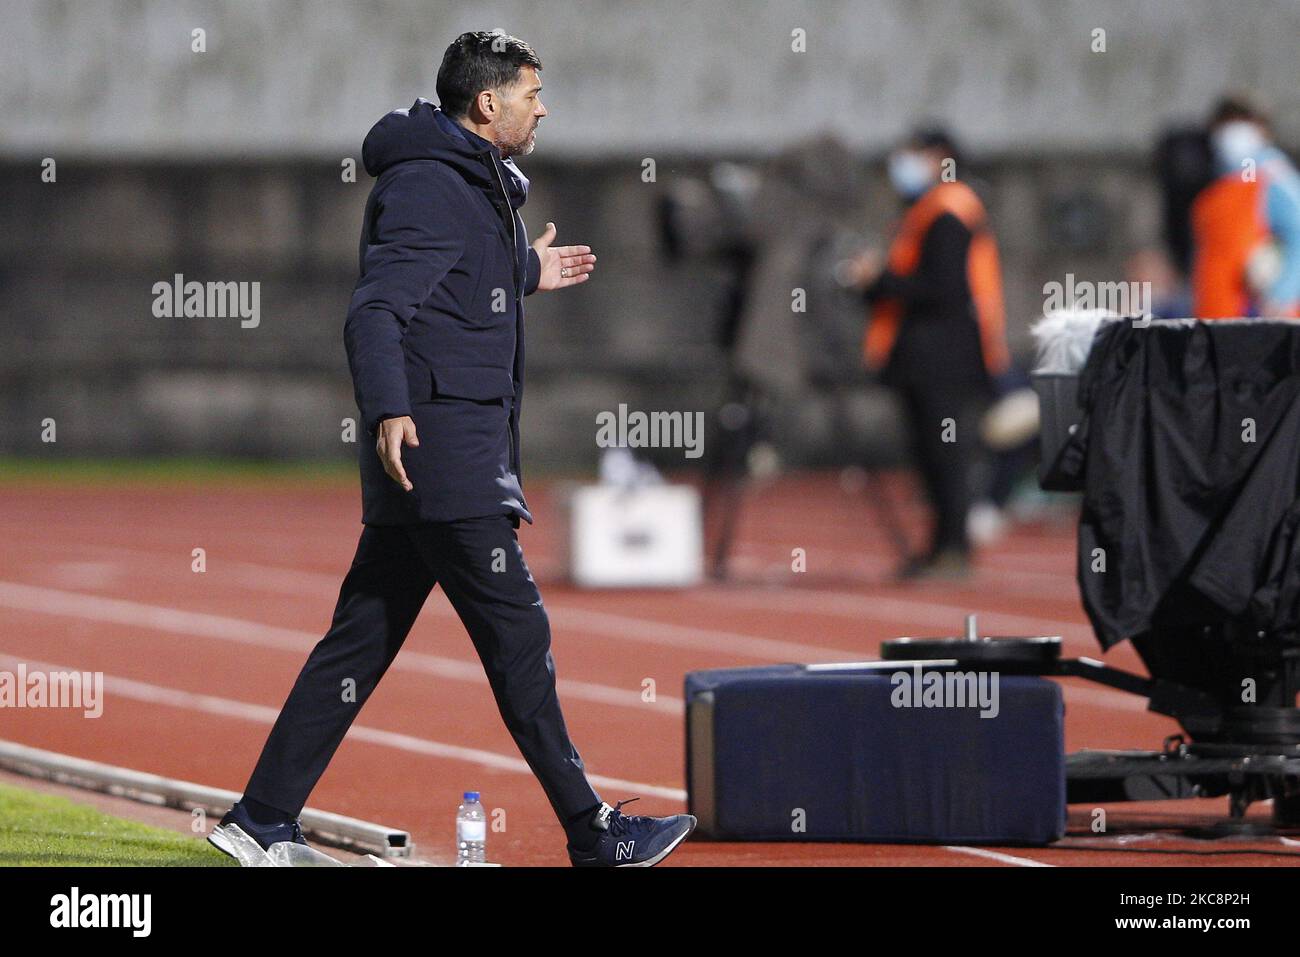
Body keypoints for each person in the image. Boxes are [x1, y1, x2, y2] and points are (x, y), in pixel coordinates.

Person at [209, 31, 696, 868]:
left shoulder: (463, 184)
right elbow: (376, 310)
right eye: (532, 94)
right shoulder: (436, 186)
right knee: (521, 643)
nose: (543, 108)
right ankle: (594, 833)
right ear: (487, 104)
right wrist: (390, 409)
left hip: (436, 462)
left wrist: (526, 270)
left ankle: (260, 818)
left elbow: (456, 280)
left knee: (358, 643)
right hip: (446, 460)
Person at [846, 126, 1010, 580]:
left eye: (914, 154)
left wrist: (878, 280)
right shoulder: (929, 209)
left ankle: (953, 549)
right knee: (931, 455)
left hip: (945, 360)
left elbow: (944, 288)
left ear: (939, 157)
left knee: (947, 454)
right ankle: (941, 547)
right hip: (929, 359)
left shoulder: (949, 210)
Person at [1191, 93, 1300, 319]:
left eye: (1242, 123)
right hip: (1217, 318)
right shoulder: (1219, 183)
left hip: (1259, 322)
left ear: (1262, 130)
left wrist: (1281, 296)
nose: (1232, 133)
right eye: (1226, 123)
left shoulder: (1272, 176)